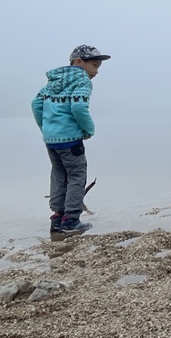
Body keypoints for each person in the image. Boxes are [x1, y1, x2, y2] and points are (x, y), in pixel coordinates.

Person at [31, 45, 111, 235]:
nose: (96, 71)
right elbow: (78, 107)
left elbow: (36, 104)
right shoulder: (82, 80)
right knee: (76, 177)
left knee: (59, 175)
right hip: (71, 140)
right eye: (94, 65)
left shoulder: (54, 80)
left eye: (98, 67)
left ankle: (57, 218)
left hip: (51, 140)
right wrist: (88, 129)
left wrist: (46, 128)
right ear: (78, 62)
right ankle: (71, 221)